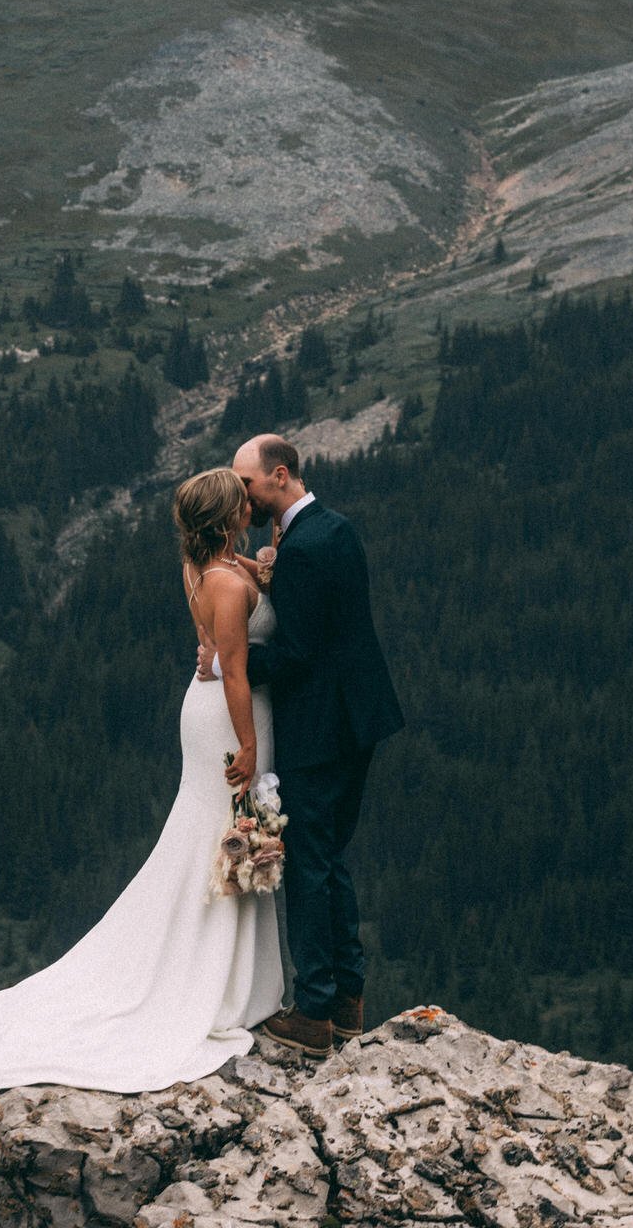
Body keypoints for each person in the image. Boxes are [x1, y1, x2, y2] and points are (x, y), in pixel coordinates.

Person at [0, 467, 286, 1125]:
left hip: (209, 706)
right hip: (230, 715)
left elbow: (227, 628)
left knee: (215, 836)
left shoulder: (208, 565)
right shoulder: (223, 580)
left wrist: (264, 564)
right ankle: (218, 976)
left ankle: (226, 967)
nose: (251, 502)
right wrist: (245, 746)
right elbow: (236, 670)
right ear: (224, 517)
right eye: (242, 501)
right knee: (229, 829)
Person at [208, 433, 403, 1060]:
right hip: (359, 715)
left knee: (310, 864)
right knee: (332, 857)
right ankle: (349, 1000)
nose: (242, 495)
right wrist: (263, 570)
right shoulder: (332, 528)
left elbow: (296, 655)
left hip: (320, 727)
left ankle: (314, 1010)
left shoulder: (305, 548)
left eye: (247, 484)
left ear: (280, 475)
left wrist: (229, 661)